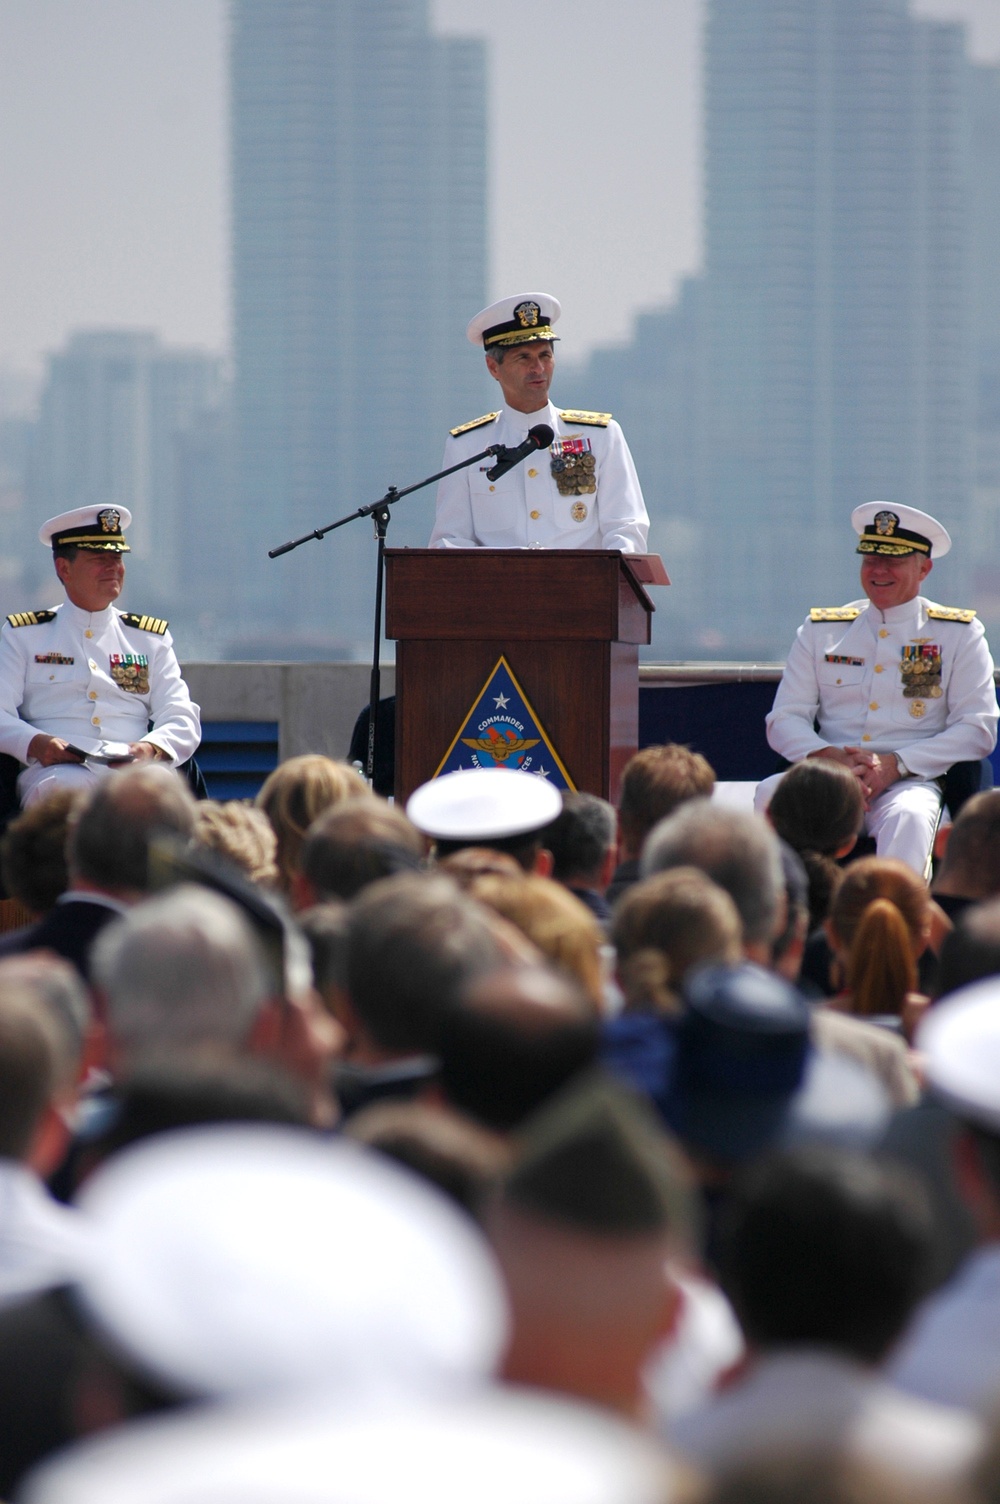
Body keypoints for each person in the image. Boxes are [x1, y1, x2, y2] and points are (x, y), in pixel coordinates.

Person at [759, 502, 998, 876]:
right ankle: (786, 908)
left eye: (893, 561)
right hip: (829, 775)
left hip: (910, 780)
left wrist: (895, 765)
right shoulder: (821, 631)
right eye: (870, 559)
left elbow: (977, 729)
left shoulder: (959, 635)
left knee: (911, 817)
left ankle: (896, 913)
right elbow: (784, 719)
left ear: (924, 569)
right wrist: (830, 758)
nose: (878, 570)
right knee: (770, 794)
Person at [0, 506, 201, 808]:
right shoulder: (24, 635)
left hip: (134, 768)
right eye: (99, 559)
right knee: (66, 789)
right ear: (64, 569)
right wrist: (37, 744)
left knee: (156, 793)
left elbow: (181, 715)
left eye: (117, 558)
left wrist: (150, 748)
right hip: (56, 769)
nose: (113, 568)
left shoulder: (148, 638)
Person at [428, 294, 649, 552]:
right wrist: (512, 565)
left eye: (545, 355)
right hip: (496, 579)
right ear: (493, 367)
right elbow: (449, 541)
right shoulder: (467, 446)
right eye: (523, 358)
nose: (538, 368)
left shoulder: (600, 436)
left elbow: (626, 530)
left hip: (584, 579)